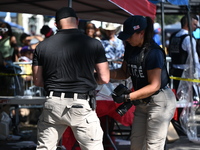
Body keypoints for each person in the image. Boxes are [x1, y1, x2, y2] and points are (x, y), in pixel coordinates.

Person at [32, 7, 109, 150]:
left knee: (45, 148)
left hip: (53, 103)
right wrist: (89, 79)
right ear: (77, 21)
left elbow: (37, 81)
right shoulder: (94, 44)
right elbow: (104, 78)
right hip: (81, 103)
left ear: (56, 24)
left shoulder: (42, 47)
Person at [110, 15, 176, 150]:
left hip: (159, 101)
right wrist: (104, 73)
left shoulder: (153, 52)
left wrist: (128, 97)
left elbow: (155, 85)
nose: (126, 39)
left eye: (129, 35)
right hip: (142, 102)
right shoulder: (130, 47)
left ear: (141, 33)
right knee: (136, 145)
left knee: (153, 146)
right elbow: (124, 72)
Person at [168, 14, 200, 92]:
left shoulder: (173, 36)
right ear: (187, 23)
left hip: (174, 71)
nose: (196, 27)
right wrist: (198, 75)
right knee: (188, 99)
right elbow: (194, 58)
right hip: (186, 73)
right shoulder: (188, 38)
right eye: (194, 24)